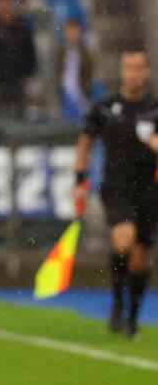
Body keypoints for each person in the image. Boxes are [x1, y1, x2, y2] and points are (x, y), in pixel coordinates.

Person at [73, 49, 158, 339]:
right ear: (122, 71)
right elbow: (85, 141)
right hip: (117, 188)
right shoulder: (105, 108)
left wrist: (152, 140)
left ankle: (132, 318)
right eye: (128, 68)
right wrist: (79, 180)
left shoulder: (155, 109)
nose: (133, 74)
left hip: (150, 190)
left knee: (140, 260)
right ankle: (117, 301)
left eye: (138, 68)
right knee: (124, 242)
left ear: (146, 72)